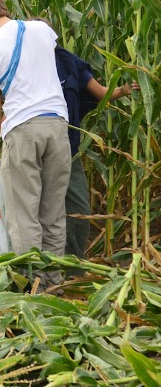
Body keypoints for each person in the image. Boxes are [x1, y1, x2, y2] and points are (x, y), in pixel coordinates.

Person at [0, 0, 71, 289]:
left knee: (24, 215)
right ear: (3, 10)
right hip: (56, 125)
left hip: (22, 130)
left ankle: (33, 288)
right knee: (53, 213)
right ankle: (54, 284)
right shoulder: (42, 30)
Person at [53, 41, 139, 259]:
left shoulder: (69, 63)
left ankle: (72, 262)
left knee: (79, 207)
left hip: (69, 148)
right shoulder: (22, 65)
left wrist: (124, 90)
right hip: (38, 150)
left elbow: (100, 93)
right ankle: (46, 263)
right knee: (45, 209)